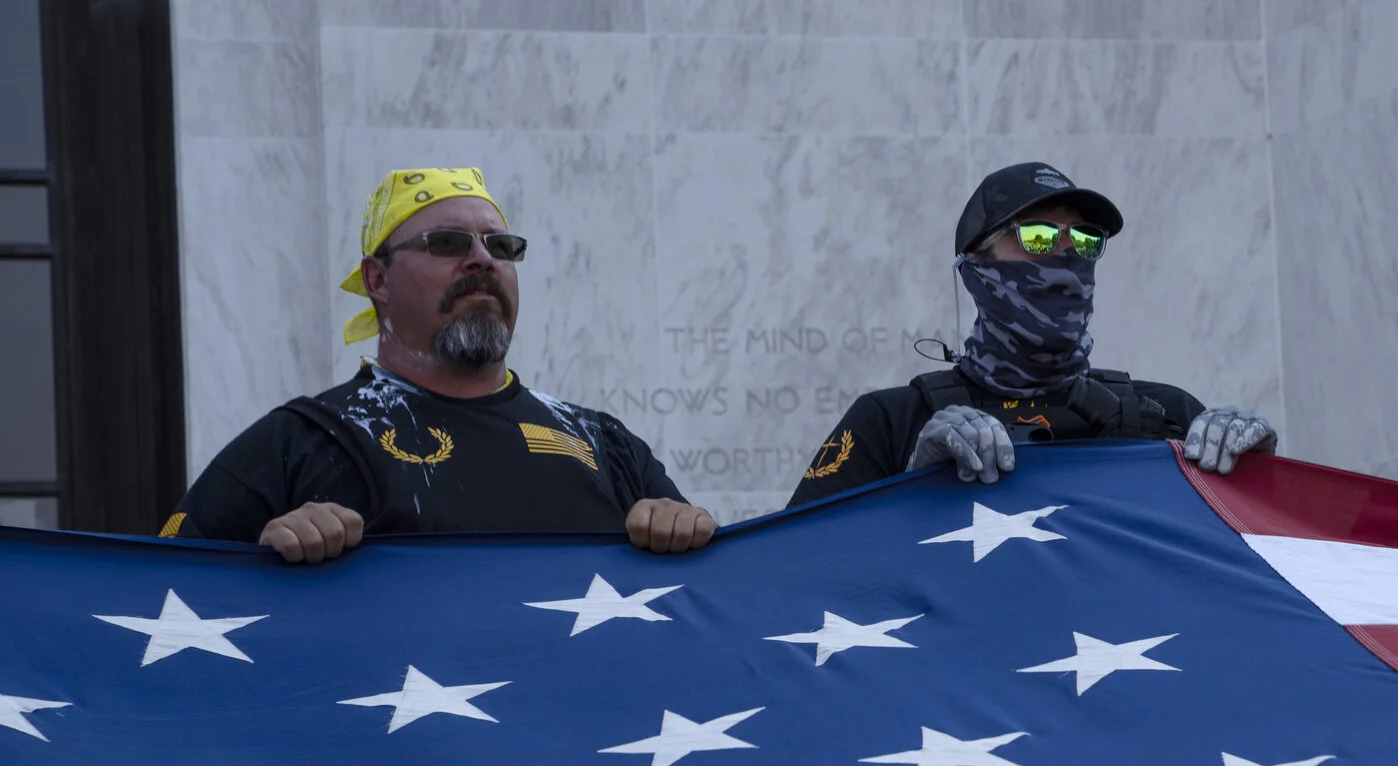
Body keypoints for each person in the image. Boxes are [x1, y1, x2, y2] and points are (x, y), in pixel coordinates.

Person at [163, 168, 713, 563]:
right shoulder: (300, 440)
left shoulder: (603, 443)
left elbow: (700, 603)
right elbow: (166, 600)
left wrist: (688, 532)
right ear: (378, 279)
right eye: (448, 243)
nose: (482, 259)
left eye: (502, 246)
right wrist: (261, 563)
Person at [786, 163, 1278, 503]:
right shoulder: (891, 422)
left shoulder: (1169, 416)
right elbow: (797, 569)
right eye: (1037, 236)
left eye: (1085, 240)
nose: (1065, 256)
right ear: (976, 265)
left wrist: (1256, 477)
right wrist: (912, 488)